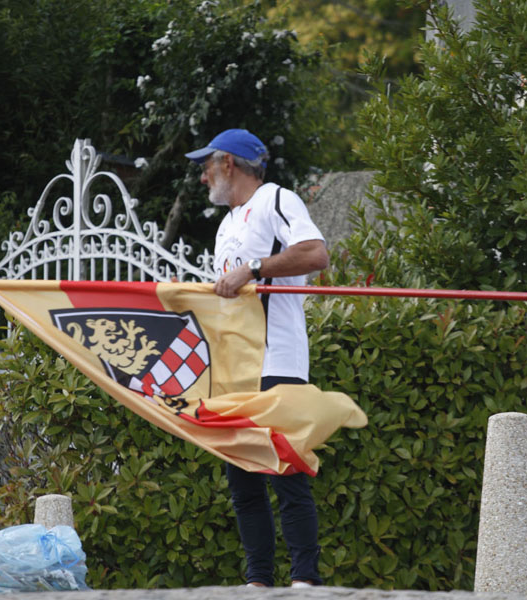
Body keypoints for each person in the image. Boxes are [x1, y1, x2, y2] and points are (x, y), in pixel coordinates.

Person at [185, 128, 329, 588]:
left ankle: (305, 582)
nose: (202, 176)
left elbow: (316, 253)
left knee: (287, 474)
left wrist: (256, 268)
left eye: (206, 165)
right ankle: (259, 582)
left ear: (228, 163)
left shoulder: (275, 199)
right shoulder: (226, 226)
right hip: (236, 372)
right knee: (244, 482)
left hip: (279, 365)